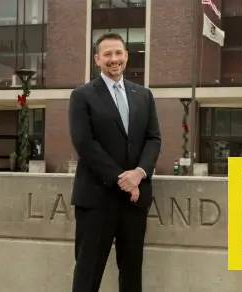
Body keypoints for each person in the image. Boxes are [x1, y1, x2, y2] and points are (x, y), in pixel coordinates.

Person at [68, 32, 161, 292]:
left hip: (134, 202)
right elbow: (85, 144)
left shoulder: (143, 95)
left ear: (127, 56)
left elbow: (153, 139)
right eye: (107, 54)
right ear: (97, 59)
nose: (114, 59)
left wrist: (139, 174)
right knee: (88, 274)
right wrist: (124, 179)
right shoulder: (82, 96)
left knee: (132, 275)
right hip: (96, 199)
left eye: (118, 53)